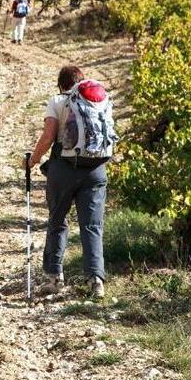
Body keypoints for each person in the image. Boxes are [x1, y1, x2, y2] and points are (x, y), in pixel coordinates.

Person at [24, 66, 116, 299]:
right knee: (92, 226)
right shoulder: (100, 100)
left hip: (65, 169)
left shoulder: (58, 101)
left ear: (61, 84)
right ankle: (96, 281)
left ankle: (54, 278)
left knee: (57, 221)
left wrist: (33, 160)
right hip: (96, 170)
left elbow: (48, 136)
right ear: (80, 82)